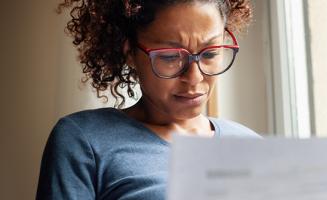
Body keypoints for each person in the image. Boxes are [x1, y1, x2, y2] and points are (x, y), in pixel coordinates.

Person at [36, 0, 258, 199]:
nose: (194, 78)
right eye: (170, 57)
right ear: (130, 53)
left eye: (210, 53)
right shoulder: (84, 141)